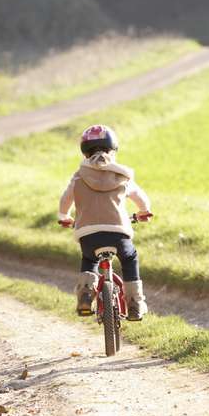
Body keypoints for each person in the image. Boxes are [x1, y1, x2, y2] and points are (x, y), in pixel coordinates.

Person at [58, 124, 153, 320]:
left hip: (88, 233)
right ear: (113, 151)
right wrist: (144, 211)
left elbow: (65, 199)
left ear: (85, 154)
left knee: (89, 259)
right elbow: (140, 197)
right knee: (129, 258)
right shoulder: (121, 176)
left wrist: (64, 216)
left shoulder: (78, 177)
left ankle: (85, 294)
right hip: (118, 232)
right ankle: (135, 303)